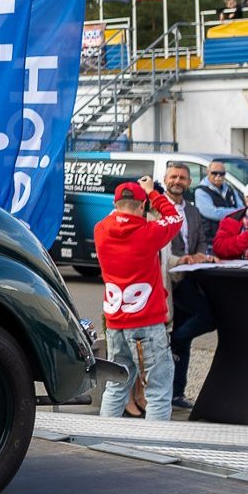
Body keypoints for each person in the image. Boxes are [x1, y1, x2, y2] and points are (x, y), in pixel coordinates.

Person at [94, 178, 184, 421]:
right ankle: (155, 448)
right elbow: (175, 217)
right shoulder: (148, 232)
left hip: (115, 322)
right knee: (158, 390)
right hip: (146, 323)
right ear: (142, 206)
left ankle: (103, 439)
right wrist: (153, 193)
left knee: (115, 387)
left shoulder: (100, 229)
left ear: (115, 203)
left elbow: (118, 213)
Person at [162, 162, 216, 411]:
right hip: (168, 280)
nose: (177, 181)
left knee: (187, 336)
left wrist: (200, 255)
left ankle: (177, 393)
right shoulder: (155, 208)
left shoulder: (192, 211)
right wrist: (181, 259)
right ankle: (173, 390)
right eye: (173, 176)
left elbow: (202, 241)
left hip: (190, 277)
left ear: (189, 182)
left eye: (182, 178)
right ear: (165, 179)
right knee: (208, 315)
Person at [193, 161, 245, 249]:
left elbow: (242, 208)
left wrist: (239, 212)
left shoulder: (230, 189)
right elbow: (212, 213)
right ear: (207, 172)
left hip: (231, 237)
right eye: (214, 173)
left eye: (222, 173)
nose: (218, 176)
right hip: (210, 240)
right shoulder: (201, 191)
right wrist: (236, 213)